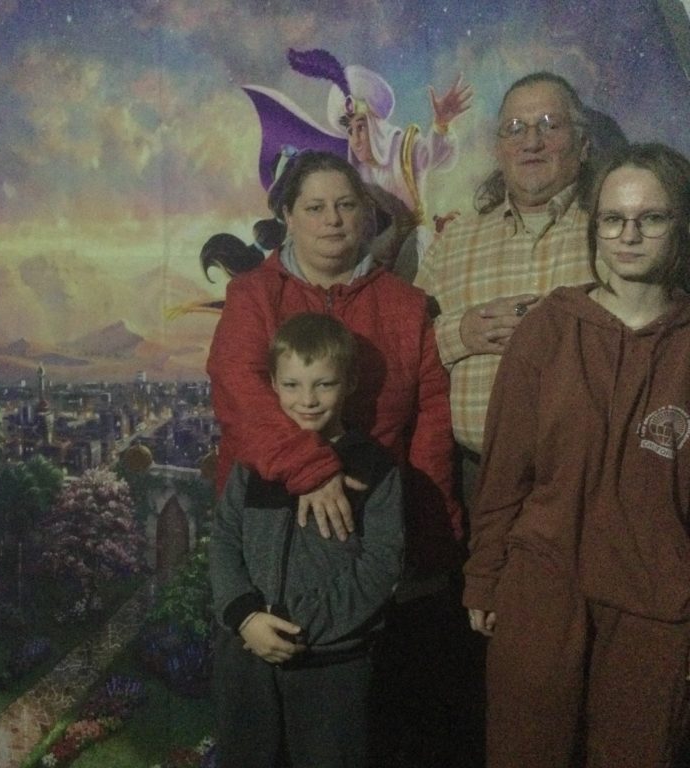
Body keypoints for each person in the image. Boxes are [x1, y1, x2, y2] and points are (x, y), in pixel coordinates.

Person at [207, 149, 464, 766]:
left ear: (367, 217)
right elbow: (239, 389)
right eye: (315, 207)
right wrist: (312, 468)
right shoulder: (253, 295)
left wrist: (433, 542)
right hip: (265, 541)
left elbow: (429, 422)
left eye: (347, 205)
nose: (332, 220)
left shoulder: (405, 305)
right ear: (287, 217)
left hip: (361, 552)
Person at [464, 142, 690, 768]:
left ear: (681, 224)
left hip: (656, 604)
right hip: (543, 589)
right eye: (613, 219)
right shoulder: (550, 328)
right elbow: (504, 471)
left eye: (651, 218)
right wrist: (484, 575)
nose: (629, 235)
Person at [211, 312, 404, 767]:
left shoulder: (375, 468)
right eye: (293, 385)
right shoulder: (252, 461)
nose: (308, 400)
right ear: (272, 386)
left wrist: (295, 626)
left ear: (350, 383)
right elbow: (224, 538)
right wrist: (246, 617)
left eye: (324, 384)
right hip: (247, 656)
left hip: (332, 666)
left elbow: (381, 565)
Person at [415, 72, 597, 504]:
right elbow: (406, 347)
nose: (531, 142)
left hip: (589, 479)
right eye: (515, 129)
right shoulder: (454, 240)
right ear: (499, 149)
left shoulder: (613, 233)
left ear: (584, 145)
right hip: (474, 481)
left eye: (550, 125)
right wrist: (461, 333)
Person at [243, 48, 472, 280]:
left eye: (361, 127)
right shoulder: (353, 171)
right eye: (350, 131)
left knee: (418, 242)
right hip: (378, 245)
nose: (356, 139)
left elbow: (438, 155)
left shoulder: (404, 147)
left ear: (375, 125)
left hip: (413, 243)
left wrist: (441, 124)